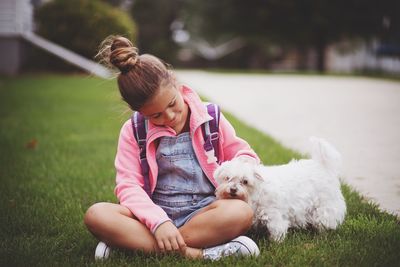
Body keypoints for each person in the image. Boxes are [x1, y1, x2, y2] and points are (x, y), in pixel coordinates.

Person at [84, 35, 261, 261]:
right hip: (150, 216)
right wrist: (159, 222)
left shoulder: (211, 117)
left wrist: (243, 168)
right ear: (138, 111)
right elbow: (129, 186)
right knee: (97, 215)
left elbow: (244, 155)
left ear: (176, 83)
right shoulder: (133, 130)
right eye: (155, 115)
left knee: (241, 212)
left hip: (205, 212)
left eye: (172, 104)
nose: (169, 116)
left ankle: (131, 245)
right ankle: (198, 253)